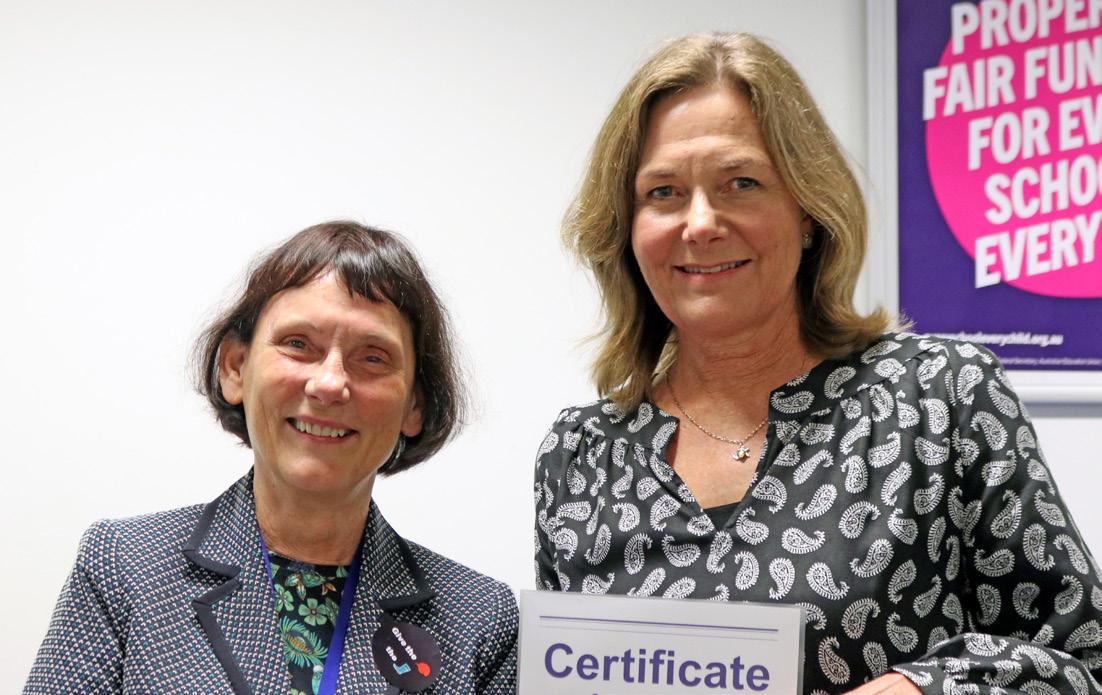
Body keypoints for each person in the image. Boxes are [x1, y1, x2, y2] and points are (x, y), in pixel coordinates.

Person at [534, 32, 1102, 694]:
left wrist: (925, 688)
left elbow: (1081, 656)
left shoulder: (939, 397)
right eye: (663, 192)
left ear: (807, 209)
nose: (700, 222)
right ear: (626, 228)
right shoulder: (580, 456)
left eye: (741, 183)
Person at [27, 221, 517, 694]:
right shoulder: (124, 567)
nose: (329, 383)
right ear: (235, 368)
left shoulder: (479, 620)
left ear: (416, 405)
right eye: (298, 344)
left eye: (372, 357)